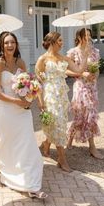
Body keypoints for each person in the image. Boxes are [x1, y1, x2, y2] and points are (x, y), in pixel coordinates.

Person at [0, 32, 47, 199]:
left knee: (27, 143)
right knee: (10, 143)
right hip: (6, 110)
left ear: (16, 45)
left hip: (22, 111)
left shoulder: (20, 62)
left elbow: (26, 85)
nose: (9, 45)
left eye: (12, 42)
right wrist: (15, 102)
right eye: (6, 42)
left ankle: (31, 183)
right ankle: (11, 174)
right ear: (2, 45)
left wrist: (28, 98)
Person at [35, 32, 88, 172]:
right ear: (51, 41)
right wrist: (40, 102)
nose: (62, 42)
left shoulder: (64, 58)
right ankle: (62, 159)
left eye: (62, 40)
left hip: (62, 97)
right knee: (57, 124)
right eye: (59, 40)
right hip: (50, 96)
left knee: (59, 124)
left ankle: (46, 144)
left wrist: (86, 55)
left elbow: (78, 70)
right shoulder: (42, 59)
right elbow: (37, 83)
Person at [66, 28, 103, 159]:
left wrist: (95, 75)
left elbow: (97, 69)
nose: (88, 38)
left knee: (90, 115)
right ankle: (70, 138)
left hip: (92, 87)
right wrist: (82, 73)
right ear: (79, 37)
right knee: (80, 116)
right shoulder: (73, 52)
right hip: (80, 87)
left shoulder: (94, 51)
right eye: (85, 35)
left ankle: (92, 147)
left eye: (89, 35)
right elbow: (66, 71)